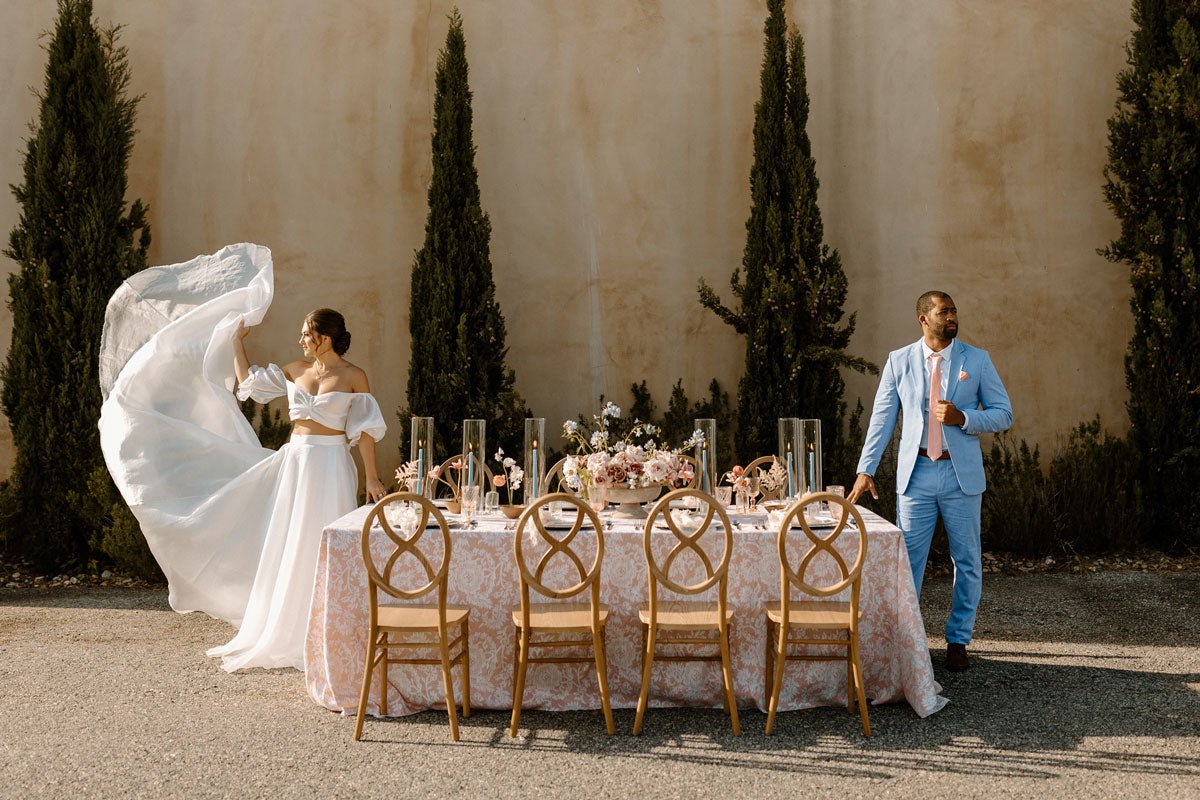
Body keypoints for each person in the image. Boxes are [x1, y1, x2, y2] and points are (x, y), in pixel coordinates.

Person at [99, 244, 386, 672]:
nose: (300, 340)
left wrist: (373, 479)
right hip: (297, 463)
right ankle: (285, 630)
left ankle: (330, 628)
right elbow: (248, 383)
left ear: (324, 337)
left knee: (325, 542)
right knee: (291, 541)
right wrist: (235, 340)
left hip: (331, 467)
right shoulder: (295, 370)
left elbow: (363, 431)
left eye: (306, 333)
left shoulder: (353, 375)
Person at [848, 291, 1012, 671]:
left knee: (967, 561)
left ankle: (958, 640)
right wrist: (865, 469)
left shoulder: (978, 360)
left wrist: (964, 418)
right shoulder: (899, 361)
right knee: (908, 563)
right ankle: (908, 641)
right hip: (916, 475)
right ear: (924, 319)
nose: (952, 317)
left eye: (954, 310)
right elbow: (882, 419)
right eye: (944, 312)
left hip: (961, 476)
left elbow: (1004, 414)